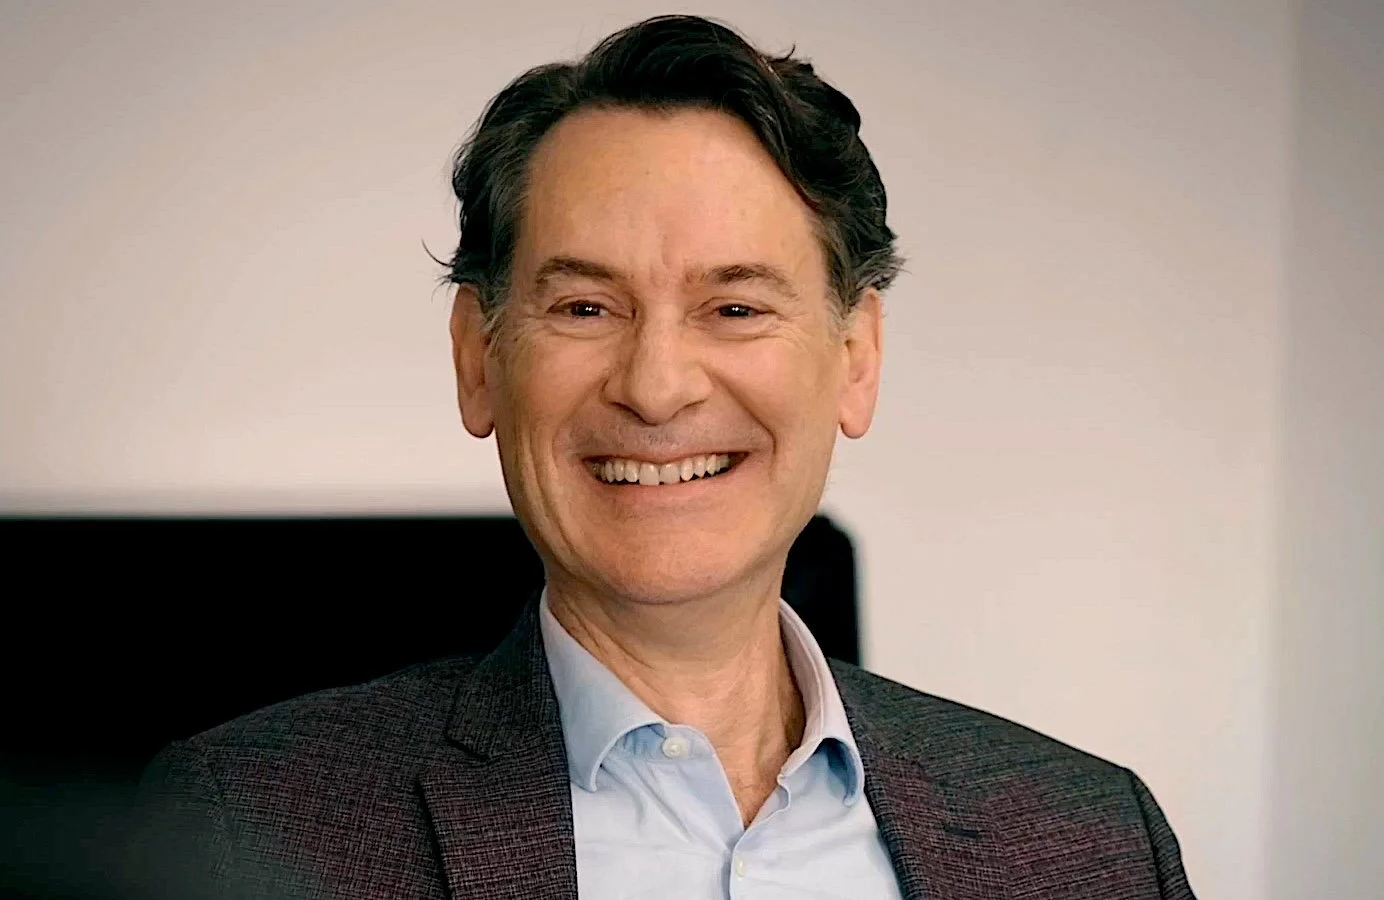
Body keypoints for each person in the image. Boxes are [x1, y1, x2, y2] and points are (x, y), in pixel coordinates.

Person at [138, 15, 1195, 900]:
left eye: (733, 306)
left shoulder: (1088, 845)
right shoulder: (240, 833)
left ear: (855, 359)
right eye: (585, 306)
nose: (655, 385)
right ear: (478, 359)